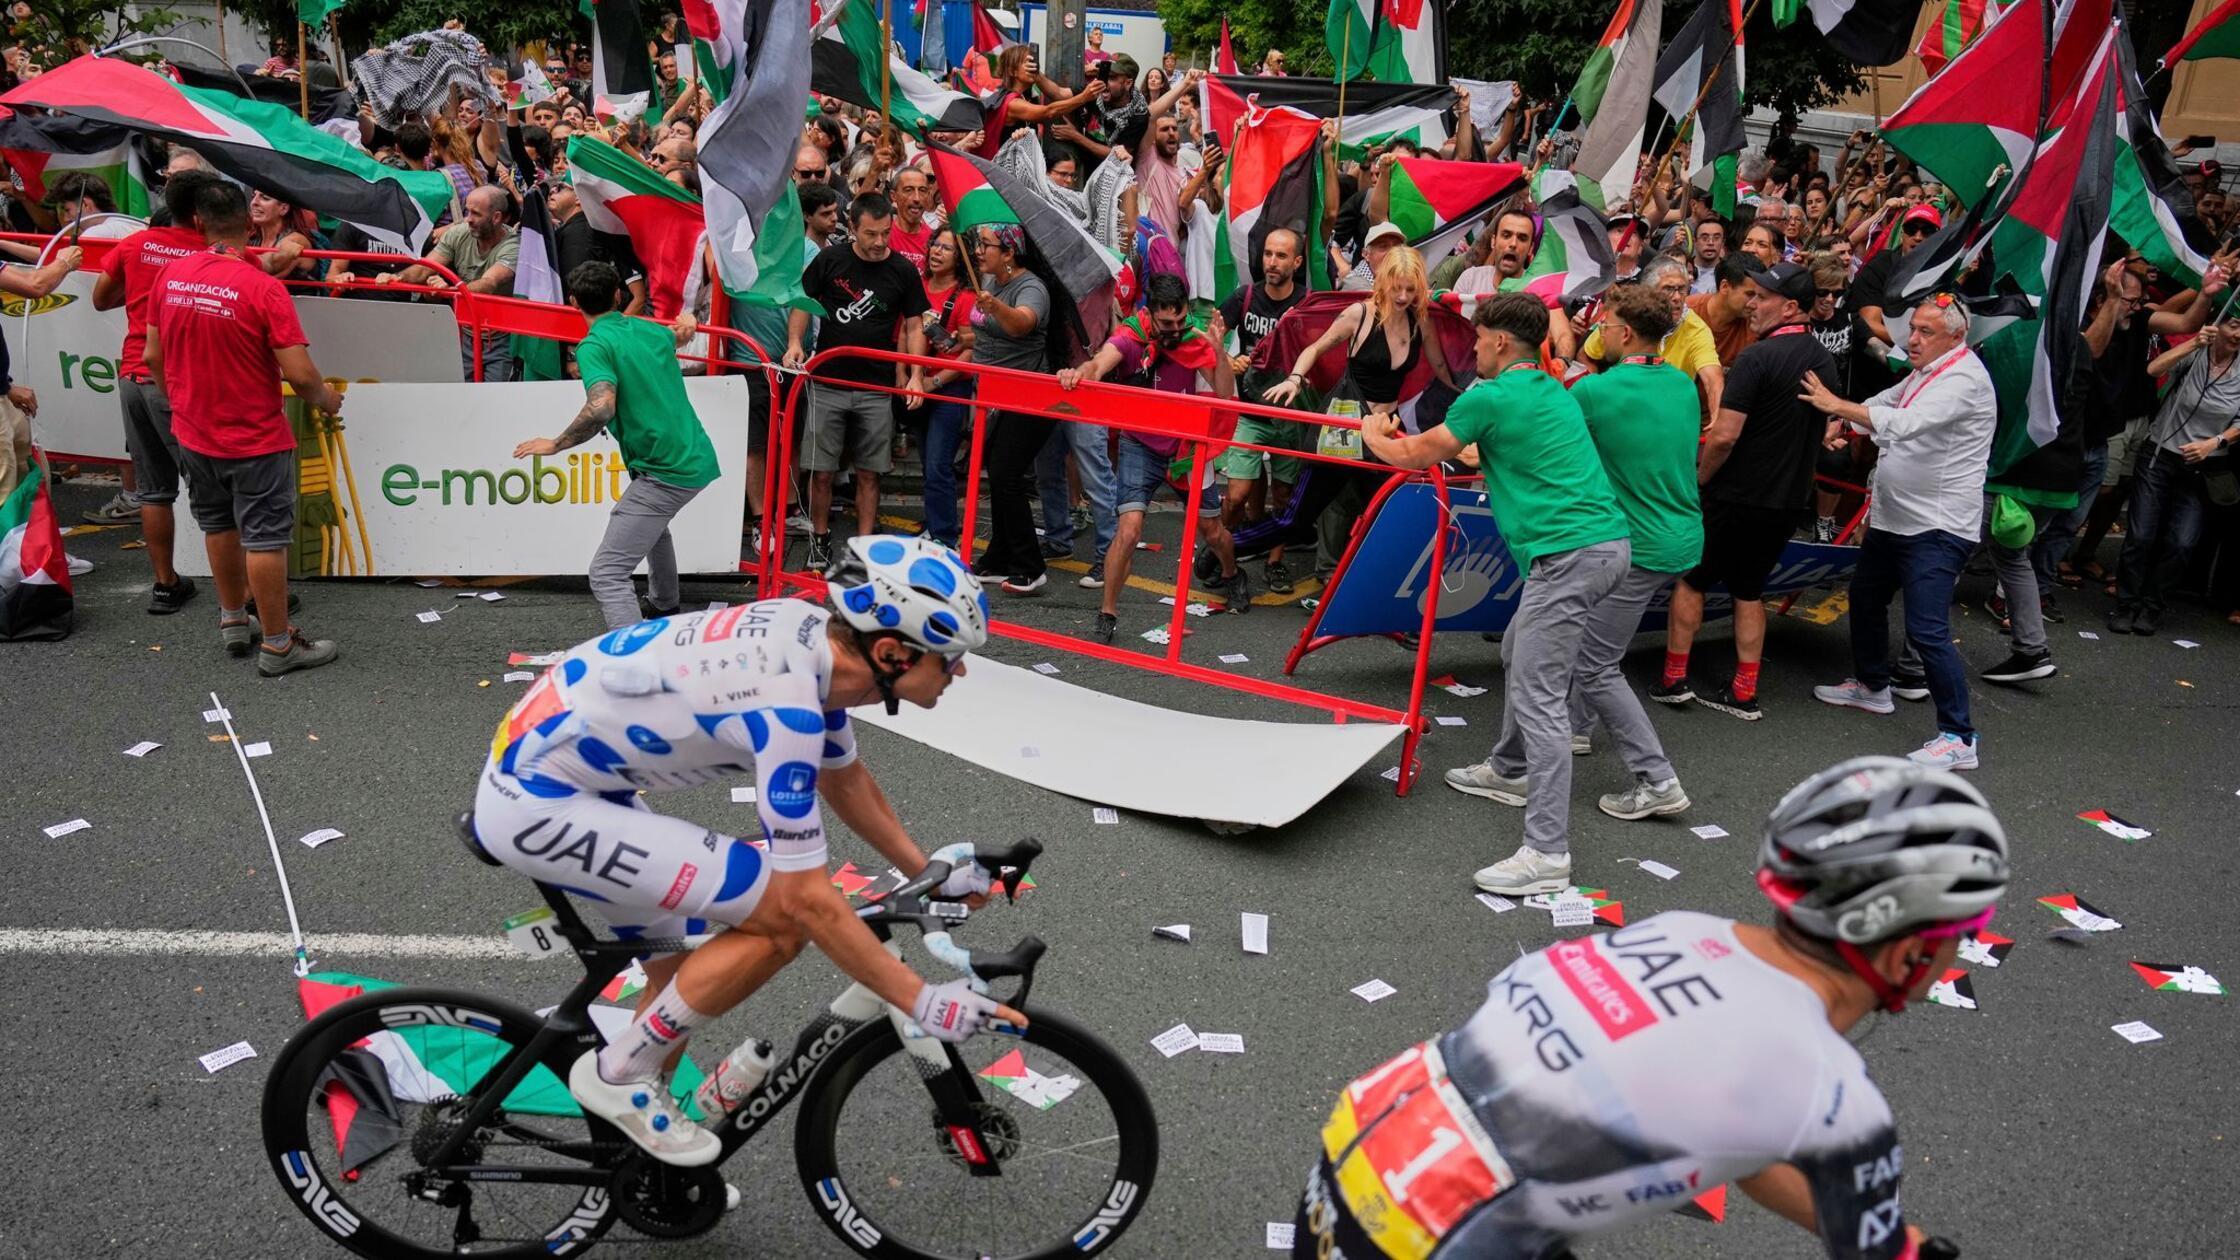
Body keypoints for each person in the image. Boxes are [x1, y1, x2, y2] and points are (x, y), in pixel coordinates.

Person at [1291, 756, 2001, 1260]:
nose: (1956, 955)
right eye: (1958, 938)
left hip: (1363, 1151)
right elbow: (1872, 1245)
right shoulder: (1834, 1092)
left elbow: (1741, 1144)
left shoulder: (1685, 929)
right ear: (1907, 950)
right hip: (1443, 1229)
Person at [474, 536, 1020, 1167]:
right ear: (893, 653)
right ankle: (619, 1073)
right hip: (537, 800)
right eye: (949, 658)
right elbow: (807, 903)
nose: (960, 671)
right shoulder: (786, 706)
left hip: (572, 768)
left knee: (675, 972)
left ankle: (643, 1168)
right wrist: (919, 999)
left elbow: (842, 775)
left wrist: (925, 871)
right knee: (779, 921)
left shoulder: (814, 640)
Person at [1367, 293, 1632, 895]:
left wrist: (1371, 431)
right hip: (1604, 548)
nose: (1473, 348)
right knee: (1519, 650)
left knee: (1542, 704)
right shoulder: (1549, 389)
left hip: (1569, 556)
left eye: (1479, 339)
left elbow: (1409, 454)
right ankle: (1510, 770)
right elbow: (1501, 449)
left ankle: (1547, 853)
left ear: (1501, 344)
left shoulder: (1488, 394)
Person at [143, 180, 345, 676]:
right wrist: (328, 400)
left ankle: (233, 619)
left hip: (193, 430)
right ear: (250, 225)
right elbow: (300, 375)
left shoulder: (170, 276)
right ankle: (278, 645)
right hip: (253, 436)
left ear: (196, 223)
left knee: (217, 524)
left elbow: (152, 357)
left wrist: (180, 404)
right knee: (265, 538)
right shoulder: (262, 288)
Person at [1801, 293, 1998, 771]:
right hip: (1895, 518)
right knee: (1866, 598)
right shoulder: (1928, 371)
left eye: (1926, 332)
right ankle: (1872, 686)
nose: (1912, 339)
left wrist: (1835, 405)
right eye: (1913, 328)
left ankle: (1958, 736)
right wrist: (1842, 422)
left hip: (1937, 526)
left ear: (1957, 335)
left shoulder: (1966, 380)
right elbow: (1885, 402)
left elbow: (1905, 424)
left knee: (1928, 630)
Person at [1659, 260, 1834, 721]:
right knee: (1750, 591)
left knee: (1693, 579)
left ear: (1791, 307)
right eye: (1752, 295)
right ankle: (1744, 690)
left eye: (1763, 298)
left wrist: (1700, 480)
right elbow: (1826, 427)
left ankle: (1674, 679)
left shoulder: (1757, 358)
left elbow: (1723, 435)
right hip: (1788, 499)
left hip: (1734, 493)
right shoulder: (1822, 359)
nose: (1752, 305)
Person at [514, 261, 719, 629]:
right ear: (619, 295)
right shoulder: (646, 329)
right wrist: (686, 324)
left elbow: (601, 406)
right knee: (655, 529)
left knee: (607, 572)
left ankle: (630, 660)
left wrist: (557, 444)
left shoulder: (593, 346)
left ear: (574, 301)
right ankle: (664, 605)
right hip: (691, 456)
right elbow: (675, 337)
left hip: (665, 469)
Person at [1564, 284, 1701, 822]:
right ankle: (1575, 727)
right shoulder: (1682, 385)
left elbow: (1550, 439)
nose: (1599, 333)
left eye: (1604, 326)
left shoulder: (1599, 391)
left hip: (1638, 545)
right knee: (1590, 636)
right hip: (1680, 536)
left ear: (1623, 333)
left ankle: (1656, 778)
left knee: (1597, 663)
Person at [1058, 273, 1246, 641]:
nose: (1175, 330)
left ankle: (1230, 573)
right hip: (1139, 444)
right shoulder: (1131, 337)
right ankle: (1107, 613)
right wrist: (1075, 374)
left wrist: (1219, 351)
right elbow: (1098, 364)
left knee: (1211, 530)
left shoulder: (1195, 339)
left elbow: (1225, 394)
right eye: (1166, 324)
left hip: (1187, 447)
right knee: (1127, 531)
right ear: (1150, 314)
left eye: (1180, 321)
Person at [92, 169, 219, 615]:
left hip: (131, 374)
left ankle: (165, 584)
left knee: (153, 490)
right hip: (179, 382)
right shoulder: (211, 252)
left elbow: (101, 298)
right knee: (214, 493)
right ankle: (245, 597)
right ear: (201, 216)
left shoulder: (133, 245)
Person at [785, 192, 930, 572]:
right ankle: (819, 539)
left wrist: (916, 375)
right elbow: (803, 300)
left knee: (870, 472)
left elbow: (915, 325)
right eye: (871, 234)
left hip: (876, 387)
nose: (880, 242)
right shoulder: (830, 260)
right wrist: (795, 343)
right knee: (821, 471)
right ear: (853, 228)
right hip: (828, 380)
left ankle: (864, 548)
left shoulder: (902, 270)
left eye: (885, 233)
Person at [2109, 305, 2240, 635]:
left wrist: (2216, 442)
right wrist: (2195, 342)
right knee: (2140, 535)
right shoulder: (2196, 354)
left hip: (2202, 469)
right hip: (2159, 457)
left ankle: (2152, 606)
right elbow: (2154, 369)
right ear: (2217, 326)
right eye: (2234, 326)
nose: (2238, 335)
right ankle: (2127, 603)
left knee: (2182, 542)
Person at [964, 224, 1059, 594]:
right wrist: (963, 338)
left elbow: (1022, 324)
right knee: (999, 475)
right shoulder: (989, 282)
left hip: (1029, 394)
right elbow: (991, 330)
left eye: (985, 245)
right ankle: (997, 558)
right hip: (993, 395)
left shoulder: (1031, 287)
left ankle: (1030, 567)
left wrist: (997, 307)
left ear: (1009, 253)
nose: (977, 251)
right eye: (977, 244)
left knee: (1005, 474)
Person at [1217, 227, 1312, 595]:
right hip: (1251, 414)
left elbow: (1323, 351)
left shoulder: (1306, 303)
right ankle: (1220, 554)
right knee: (1236, 495)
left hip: (1291, 417)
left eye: (1281, 256)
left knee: (1285, 499)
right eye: (1268, 254)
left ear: (1297, 262)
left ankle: (1275, 563)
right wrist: (1228, 359)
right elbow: (1207, 334)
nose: (1272, 262)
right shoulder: (1245, 296)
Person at [385, 185, 520, 381]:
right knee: (459, 394)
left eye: (476, 213)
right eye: (467, 211)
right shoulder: (459, 233)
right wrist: (398, 277)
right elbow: (425, 267)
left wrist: (450, 290)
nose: (468, 219)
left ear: (496, 217)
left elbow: (489, 283)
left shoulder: (513, 245)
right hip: (466, 334)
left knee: (494, 400)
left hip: (501, 340)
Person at [1579, 255, 1723, 421]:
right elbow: (1586, 355)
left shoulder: (1696, 329)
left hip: (1667, 417)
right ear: (1648, 292)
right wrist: (1596, 395)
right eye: (1668, 289)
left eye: (1682, 289)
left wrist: (1717, 417)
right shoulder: (1623, 318)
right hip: (1621, 409)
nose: (1677, 297)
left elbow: (1713, 376)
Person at [915, 227, 976, 550]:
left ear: (960, 259)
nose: (937, 252)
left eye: (947, 248)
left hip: (949, 389)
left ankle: (945, 537)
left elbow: (970, 350)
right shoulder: (918, 287)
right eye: (935, 245)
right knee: (927, 462)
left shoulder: (965, 297)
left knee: (939, 464)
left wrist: (935, 381)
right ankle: (933, 525)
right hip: (917, 386)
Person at [1687, 252, 1760, 368]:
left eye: (1760, 296)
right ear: (1725, 287)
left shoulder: (1755, 326)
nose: (1756, 303)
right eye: (1750, 294)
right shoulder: (1686, 312)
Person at [1688, 216, 1727, 294]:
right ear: (1695, 241)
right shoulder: (1684, 269)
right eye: (1704, 238)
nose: (1710, 243)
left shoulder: (1729, 272)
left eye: (1716, 238)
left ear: (1723, 242)